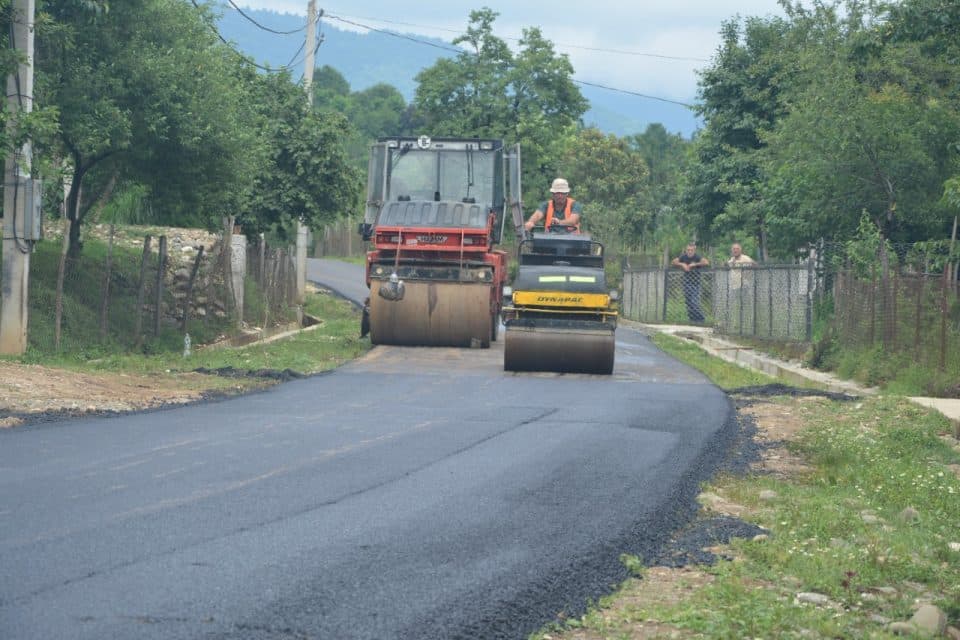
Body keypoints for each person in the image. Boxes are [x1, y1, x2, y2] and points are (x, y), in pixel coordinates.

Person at [671, 242, 710, 323]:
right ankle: (692, 320)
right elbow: (673, 262)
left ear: (694, 250)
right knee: (688, 303)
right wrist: (682, 264)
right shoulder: (683, 256)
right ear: (686, 250)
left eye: (691, 250)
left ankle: (701, 320)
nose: (689, 251)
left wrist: (694, 264)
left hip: (696, 283)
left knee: (694, 302)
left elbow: (706, 262)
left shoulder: (697, 257)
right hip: (686, 282)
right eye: (688, 250)